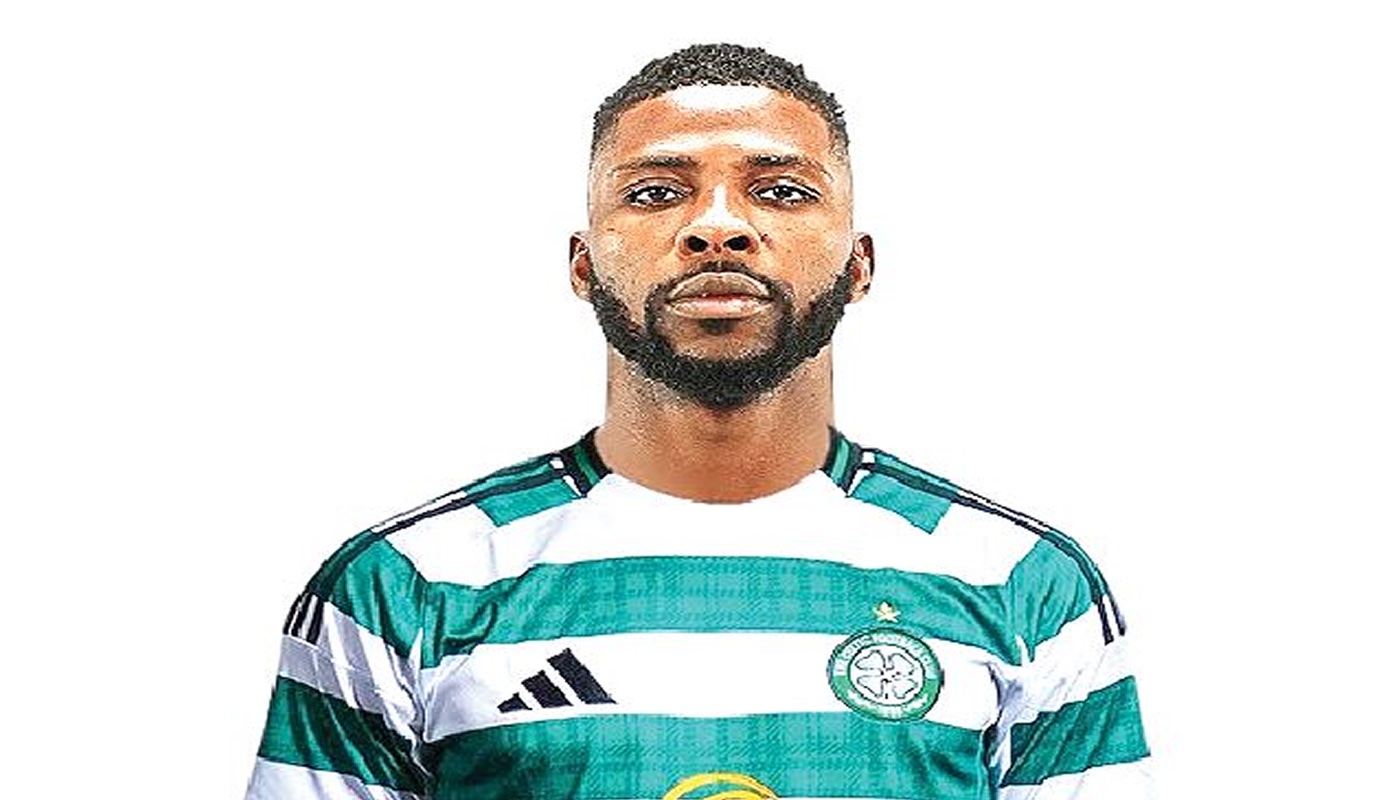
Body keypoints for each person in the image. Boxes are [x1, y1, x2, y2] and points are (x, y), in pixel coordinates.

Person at [245, 43, 1152, 800]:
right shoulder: (405, 587)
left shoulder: (1022, 585)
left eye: (781, 191)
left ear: (860, 264)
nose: (718, 228)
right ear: (583, 264)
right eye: (654, 193)